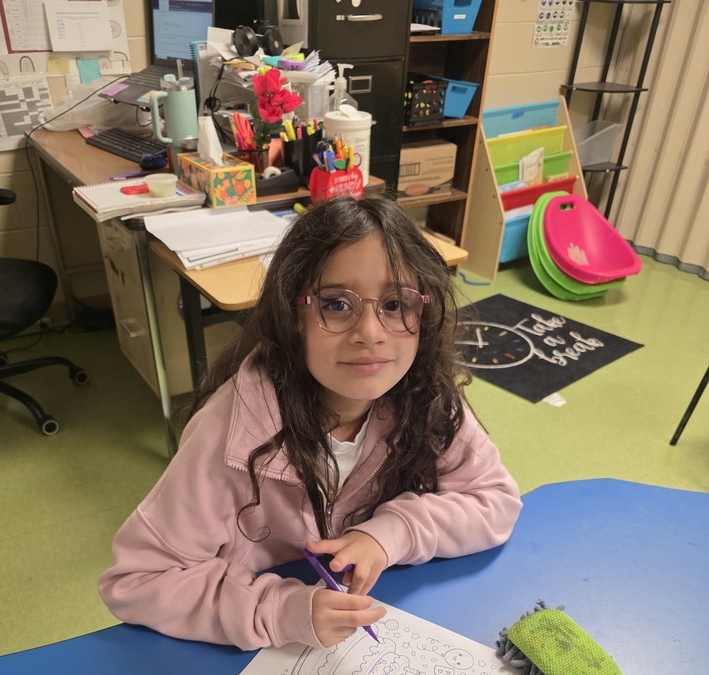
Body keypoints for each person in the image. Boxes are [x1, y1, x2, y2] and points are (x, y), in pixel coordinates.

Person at [98, 195, 521, 650]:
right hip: (247, 651)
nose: (371, 332)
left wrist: (389, 534)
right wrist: (276, 611)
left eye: (396, 304)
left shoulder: (426, 398)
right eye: (336, 304)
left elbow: (495, 499)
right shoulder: (230, 430)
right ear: (291, 313)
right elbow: (137, 580)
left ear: (425, 313)